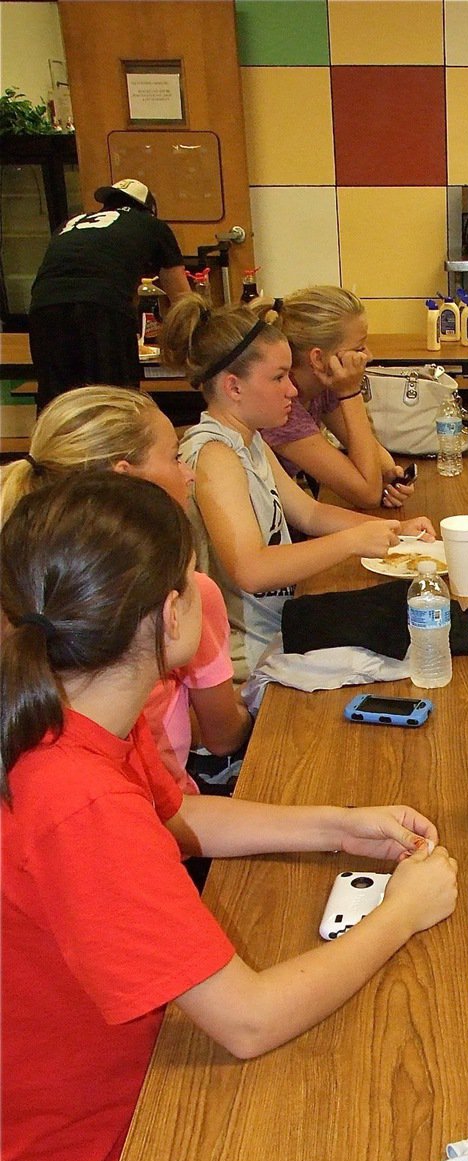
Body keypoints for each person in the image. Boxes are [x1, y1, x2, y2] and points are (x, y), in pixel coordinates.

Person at [0, 472, 459, 1161]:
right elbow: (248, 1021)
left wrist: (337, 824)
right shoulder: (79, 801)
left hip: (129, 1076)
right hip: (105, 1151)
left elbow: (174, 820)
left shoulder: (71, 716)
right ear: (170, 613)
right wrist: (402, 912)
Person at [159, 296, 434, 679]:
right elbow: (251, 569)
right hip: (250, 658)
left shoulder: (249, 439)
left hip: (280, 628)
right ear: (233, 387)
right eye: (278, 378)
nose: (292, 390)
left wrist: (394, 530)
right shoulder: (215, 455)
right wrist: (352, 541)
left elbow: (309, 512)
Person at [0, 385, 251, 798]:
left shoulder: (25, 588)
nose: (188, 472)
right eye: (174, 456)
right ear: (125, 477)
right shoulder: (180, 595)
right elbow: (222, 735)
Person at [28, 178, 190, 408]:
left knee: (58, 400)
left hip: (44, 307)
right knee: (116, 398)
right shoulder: (151, 225)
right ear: (149, 209)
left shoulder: (72, 223)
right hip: (101, 306)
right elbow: (184, 301)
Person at [253, 286, 415, 510]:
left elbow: (376, 457)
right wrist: (351, 392)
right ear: (318, 359)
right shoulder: (282, 406)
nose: (368, 356)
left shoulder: (324, 385)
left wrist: (389, 474)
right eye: (359, 348)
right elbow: (367, 494)